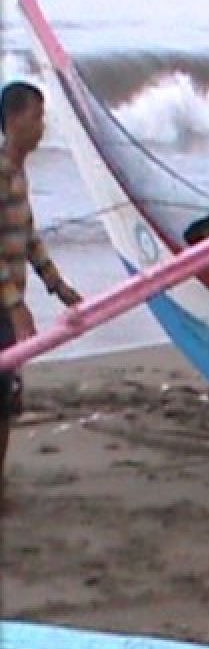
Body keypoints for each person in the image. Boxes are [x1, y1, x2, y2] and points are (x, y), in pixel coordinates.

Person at [0, 82, 83, 505]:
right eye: (36, 116)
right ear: (13, 120)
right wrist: (15, 307)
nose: (41, 125)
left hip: (9, 300)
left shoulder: (18, 172)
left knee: (8, 397)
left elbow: (29, 240)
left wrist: (60, 289)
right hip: (2, 304)